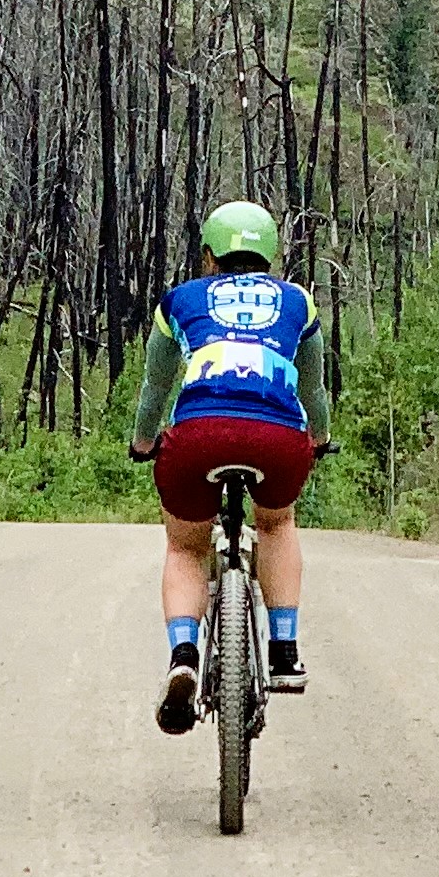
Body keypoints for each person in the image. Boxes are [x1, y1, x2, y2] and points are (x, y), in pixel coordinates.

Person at [127, 199, 332, 733]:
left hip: (198, 435)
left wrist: (144, 441)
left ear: (209, 257)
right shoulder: (299, 303)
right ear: (270, 255)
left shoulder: (180, 300)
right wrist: (321, 438)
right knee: (277, 524)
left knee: (185, 547)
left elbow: (155, 386)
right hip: (277, 438)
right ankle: (284, 651)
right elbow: (313, 389)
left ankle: (184, 656)